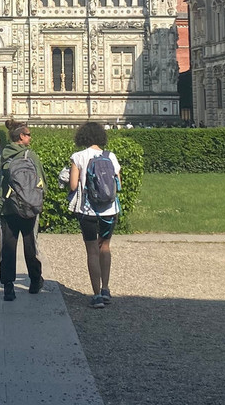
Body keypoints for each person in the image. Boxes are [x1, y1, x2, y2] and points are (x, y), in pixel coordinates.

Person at [68, 121, 121, 309]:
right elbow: (117, 183)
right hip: (110, 209)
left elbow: (74, 185)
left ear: (83, 136)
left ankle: (97, 295)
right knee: (105, 247)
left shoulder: (78, 156)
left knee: (91, 250)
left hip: (87, 210)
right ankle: (106, 289)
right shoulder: (111, 156)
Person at [0, 120, 44, 301]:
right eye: (29, 134)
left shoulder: (4, 155)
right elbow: (41, 181)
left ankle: (8, 287)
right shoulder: (31, 156)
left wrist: (1, 203)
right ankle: (34, 281)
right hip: (29, 207)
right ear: (21, 137)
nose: (30, 137)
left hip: (9, 207)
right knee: (30, 245)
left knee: (8, 247)